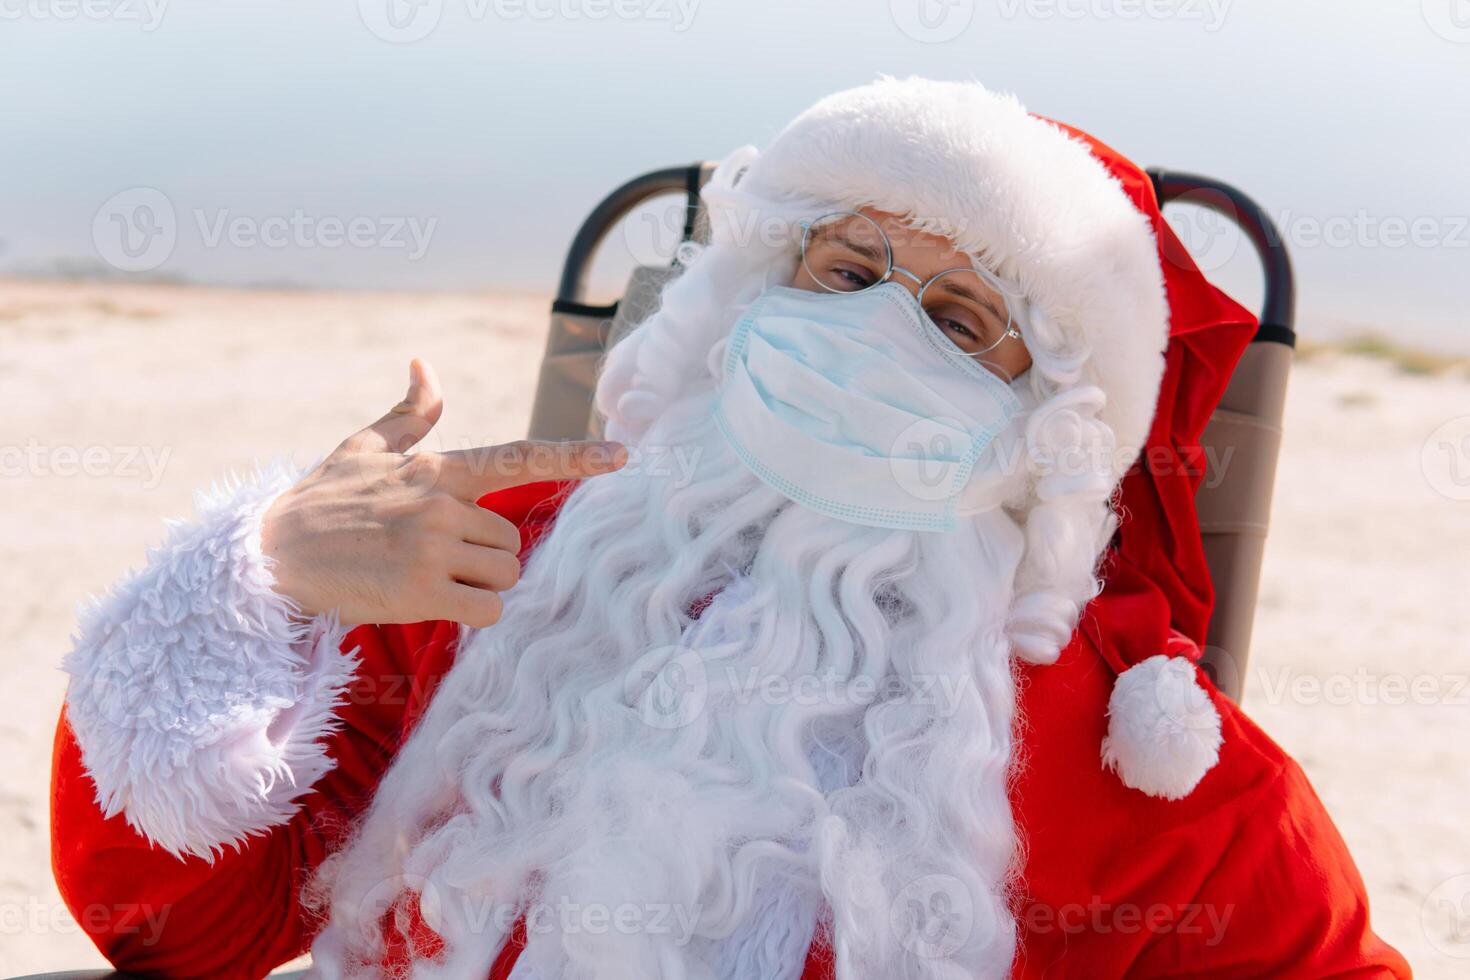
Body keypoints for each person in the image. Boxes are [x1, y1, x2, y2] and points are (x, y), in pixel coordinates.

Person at [51, 77, 1409, 979]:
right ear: (753, 287)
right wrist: (264, 587)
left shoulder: (1140, 760)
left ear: (1042, 430)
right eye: (844, 271)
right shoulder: (489, 561)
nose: (867, 332)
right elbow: (170, 932)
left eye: (954, 323)